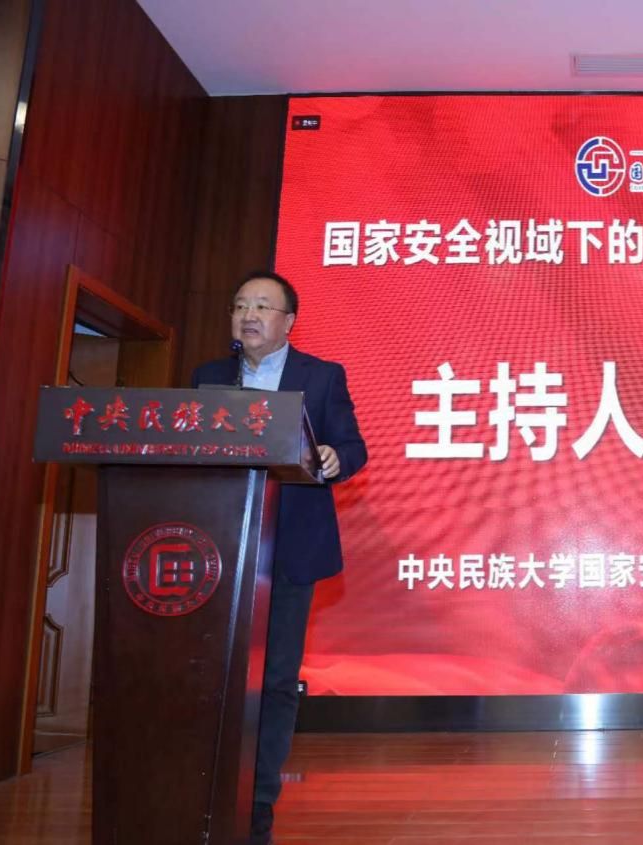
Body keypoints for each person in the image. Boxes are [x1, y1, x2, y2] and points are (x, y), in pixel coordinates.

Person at [192, 270, 367, 844]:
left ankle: (259, 799)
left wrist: (334, 457)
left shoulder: (321, 376)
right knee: (215, 674)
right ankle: (208, 788)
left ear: (288, 321)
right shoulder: (208, 378)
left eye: (263, 306)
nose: (249, 315)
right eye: (240, 305)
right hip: (220, 548)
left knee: (275, 678)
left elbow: (352, 446)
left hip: (290, 547)